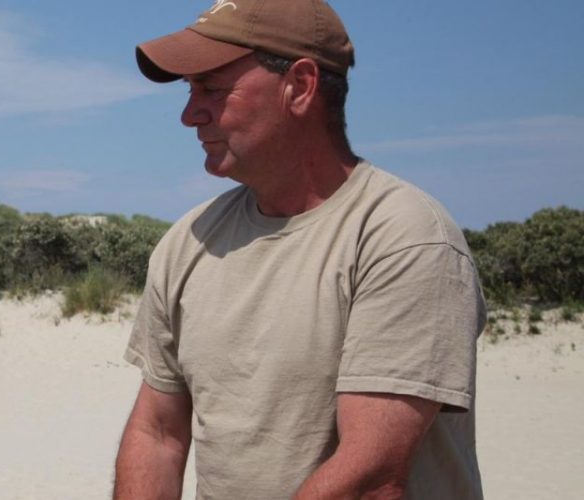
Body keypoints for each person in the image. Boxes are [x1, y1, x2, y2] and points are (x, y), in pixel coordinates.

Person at [113, 1, 486, 499]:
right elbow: (156, 434)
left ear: (302, 86)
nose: (189, 114)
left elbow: (371, 477)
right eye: (190, 90)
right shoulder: (190, 240)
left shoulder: (403, 237)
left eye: (211, 88)